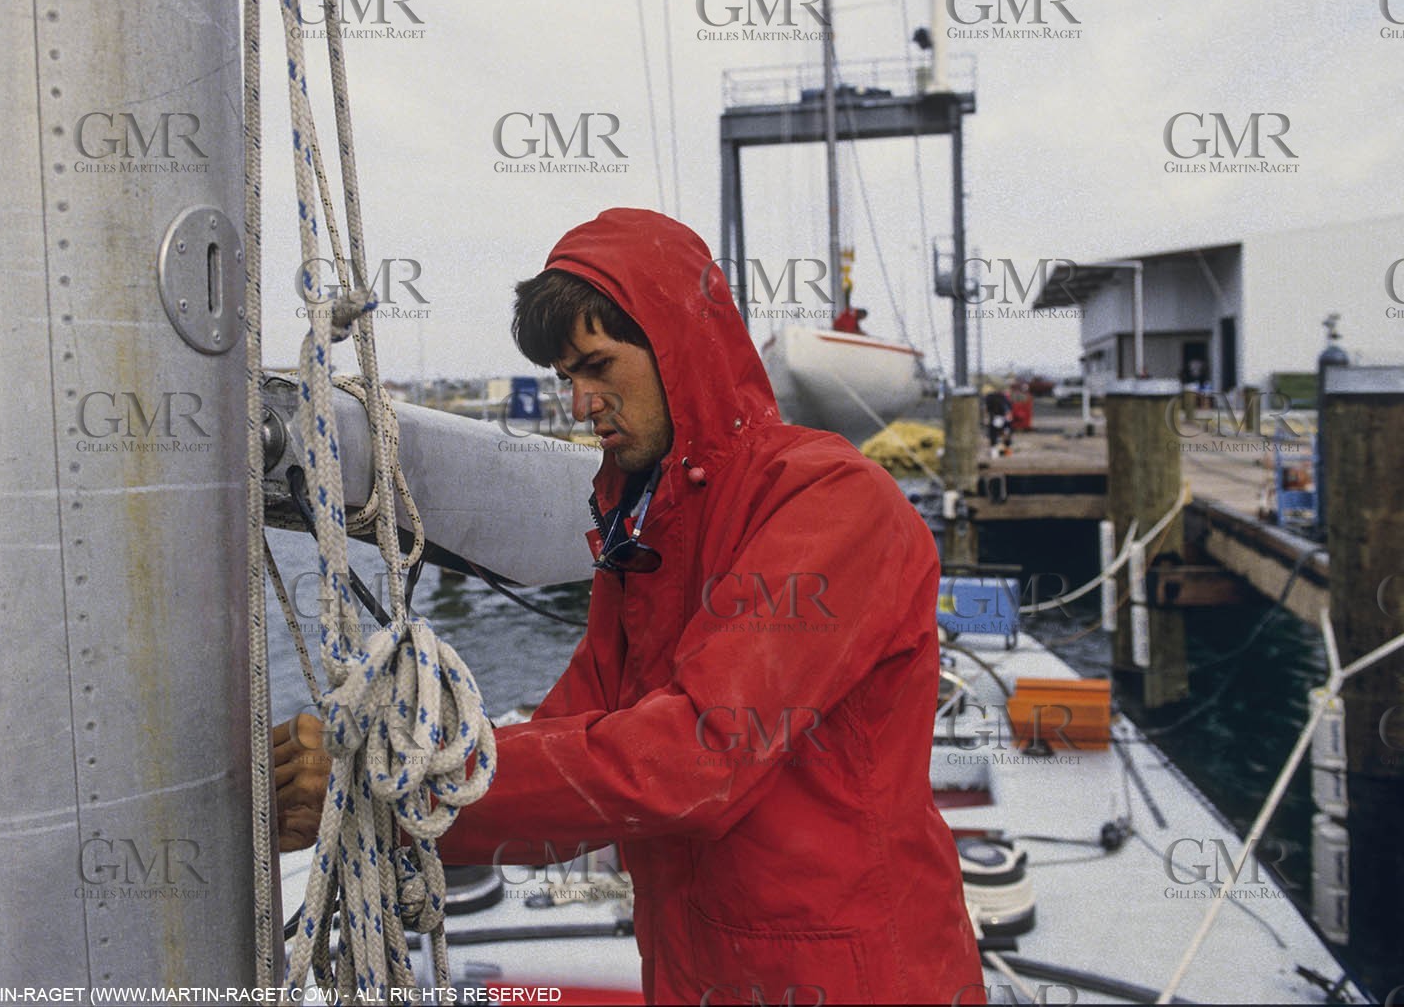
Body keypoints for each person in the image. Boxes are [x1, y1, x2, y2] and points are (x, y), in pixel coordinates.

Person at [274, 209, 982, 1004]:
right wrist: (370, 777)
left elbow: (697, 756)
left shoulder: (831, 500)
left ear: (679, 347)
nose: (582, 403)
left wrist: (402, 789)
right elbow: (573, 728)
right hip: (695, 970)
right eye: (566, 377)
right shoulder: (643, 532)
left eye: (598, 366)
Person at [983, 388, 1013, 457]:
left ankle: (995, 452)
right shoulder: (1003, 398)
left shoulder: (990, 398)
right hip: (1003, 418)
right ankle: (1006, 451)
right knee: (1005, 434)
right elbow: (1008, 408)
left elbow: (987, 409)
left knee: (994, 435)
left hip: (996, 418)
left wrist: (987, 418)